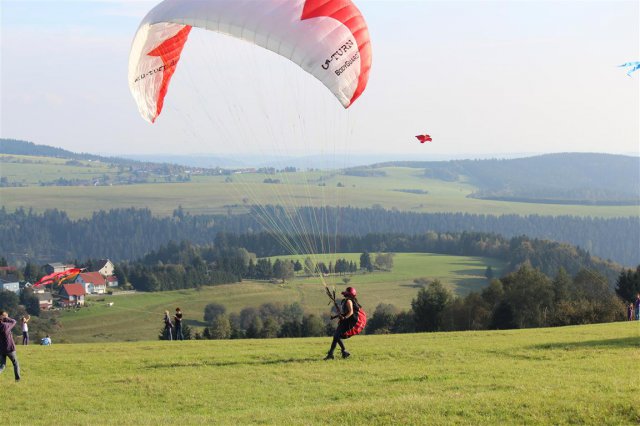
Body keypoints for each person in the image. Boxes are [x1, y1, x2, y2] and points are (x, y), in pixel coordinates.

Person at [324, 286, 364, 360]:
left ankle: (336, 353)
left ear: (349, 295)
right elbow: (344, 313)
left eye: (347, 293)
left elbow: (351, 312)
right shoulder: (345, 301)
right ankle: (336, 353)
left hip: (350, 321)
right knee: (336, 336)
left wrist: (344, 318)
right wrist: (335, 316)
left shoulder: (349, 301)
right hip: (346, 320)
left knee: (336, 336)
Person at [0, 311, 21, 382]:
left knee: (2, 366)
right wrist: (6, 318)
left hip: (1, 349)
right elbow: (14, 321)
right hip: (10, 348)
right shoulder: (5, 326)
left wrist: (3, 318)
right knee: (15, 363)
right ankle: (17, 379)